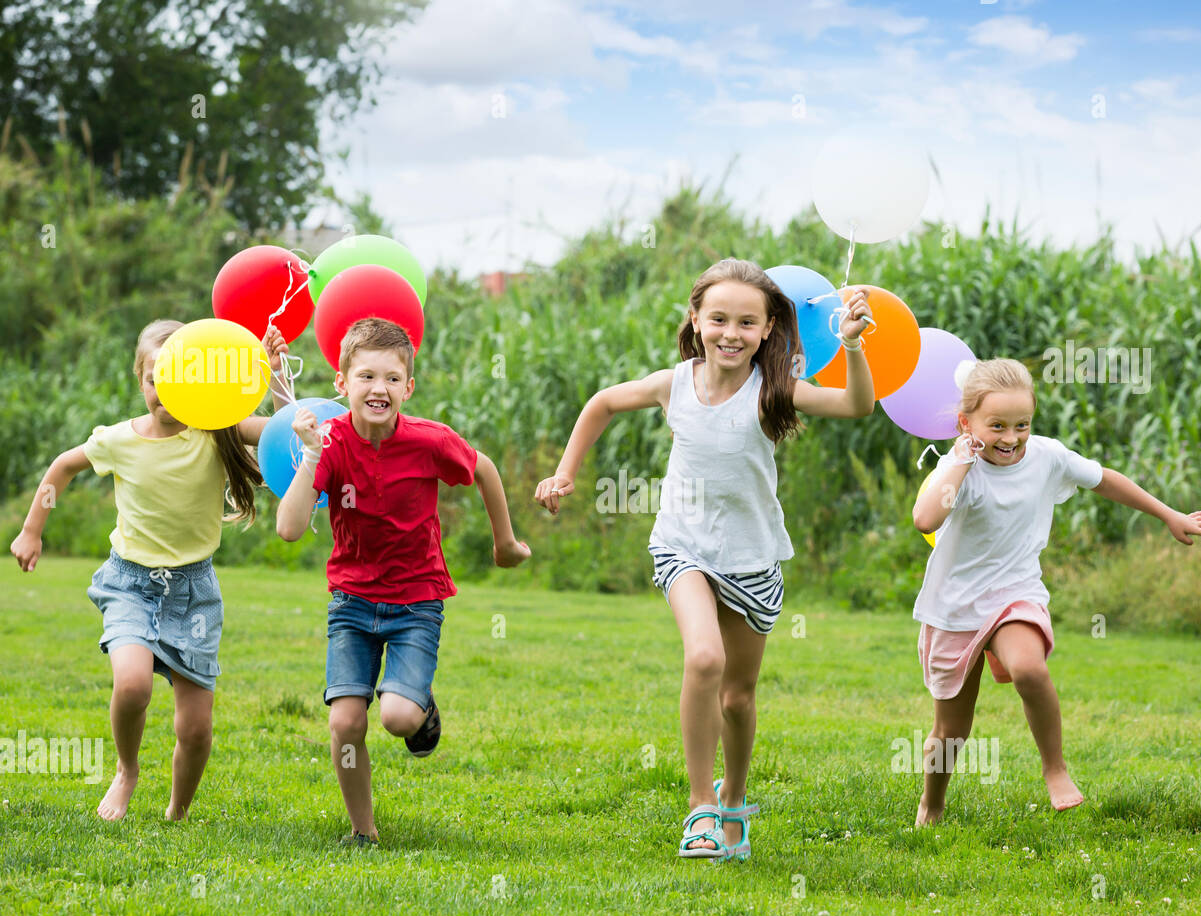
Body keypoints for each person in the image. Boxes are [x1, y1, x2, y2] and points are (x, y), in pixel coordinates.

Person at [535, 258, 875, 860]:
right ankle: (700, 809)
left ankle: (734, 798)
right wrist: (564, 475)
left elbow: (855, 407)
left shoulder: (775, 389)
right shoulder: (674, 382)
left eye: (748, 322)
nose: (731, 333)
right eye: (718, 318)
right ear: (696, 319)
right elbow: (602, 404)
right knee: (704, 657)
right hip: (683, 545)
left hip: (752, 558)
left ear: (770, 329)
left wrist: (851, 347)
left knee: (738, 697)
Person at [911, 358, 1201, 825]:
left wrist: (1169, 515)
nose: (1012, 438)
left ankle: (1054, 769)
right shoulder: (961, 469)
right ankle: (931, 805)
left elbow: (1104, 479)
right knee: (951, 730)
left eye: (1022, 424)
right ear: (966, 423)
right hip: (954, 605)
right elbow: (926, 519)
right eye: (996, 426)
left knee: (1029, 669)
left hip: (1015, 592)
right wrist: (959, 460)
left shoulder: (1047, 456)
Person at [9, 319, 288, 821]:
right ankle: (127, 770)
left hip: (194, 592)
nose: (163, 389)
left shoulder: (216, 428)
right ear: (140, 379)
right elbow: (63, 467)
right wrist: (32, 530)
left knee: (197, 729)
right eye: (154, 378)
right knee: (133, 684)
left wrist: (274, 375)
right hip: (131, 583)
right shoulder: (119, 439)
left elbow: (286, 434)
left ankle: (177, 811)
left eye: (177, 377)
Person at [275, 317, 530, 846]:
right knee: (346, 723)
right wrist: (314, 453)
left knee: (395, 716)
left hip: (416, 601)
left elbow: (483, 469)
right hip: (351, 602)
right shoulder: (332, 442)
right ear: (341, 383)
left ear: (408, 388)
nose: (379, 389)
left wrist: (504, 543)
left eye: (392, 379)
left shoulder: (429, 441)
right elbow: (289, 528)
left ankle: (419, 707)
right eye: (366, 377)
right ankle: (362, 833)